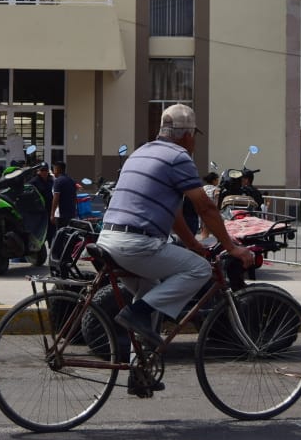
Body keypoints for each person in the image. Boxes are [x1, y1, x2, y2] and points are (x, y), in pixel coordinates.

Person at [95, 103, 255, 394]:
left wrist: (194, 244)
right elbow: (205, 206)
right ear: (186, 135)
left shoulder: (140, 152)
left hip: (108, 239)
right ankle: (138, 314)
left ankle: (139, 373)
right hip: (137, 244)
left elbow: (175, 214)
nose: (194, 142)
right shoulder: (178, 157)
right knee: (199, 270)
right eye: (194, 135)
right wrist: (231, 247)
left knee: (152, 292)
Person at [50, 161, 78, 234]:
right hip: (71, 213)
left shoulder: (58, 181)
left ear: (58, 169)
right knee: (68, 235)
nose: (53, 172)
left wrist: (52, 214)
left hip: (61, 215)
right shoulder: (71, 180)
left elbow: (56, 198)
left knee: (60, 236)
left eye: (54, 169)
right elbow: (74, 197)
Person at [198, 171, 219, 240]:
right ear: (214, 180)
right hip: (211, 211)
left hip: (201, 211)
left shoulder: (202, 188)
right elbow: (216, 198)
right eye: (217, 179)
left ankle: (203, 245)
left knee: (204, 232)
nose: (218, 181)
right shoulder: (216, 189)